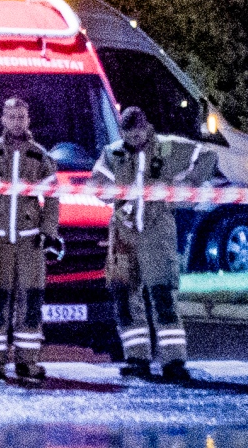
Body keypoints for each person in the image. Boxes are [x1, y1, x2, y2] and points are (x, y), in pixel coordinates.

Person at [91, 102, 212, 380]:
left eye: (137, 133)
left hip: (158, 231)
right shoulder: (114, 153)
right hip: (123, 232)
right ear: (122, 132)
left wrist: (188, 184)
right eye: (128, 135)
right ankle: (137, 359)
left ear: (145, 127)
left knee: (163, 295)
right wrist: (111, 193)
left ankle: (174, 362)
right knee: (125, 296)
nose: (134, 139)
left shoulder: (167, 148)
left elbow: (206, 157)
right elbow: (96, 182)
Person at [0, 95, 61, 383]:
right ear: (3, 120)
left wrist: (48, 231)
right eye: (12, 116)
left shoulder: (39, 156)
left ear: (28, 119)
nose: (17, 121)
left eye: (22, 116)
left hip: (31, 243)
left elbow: (53, 198)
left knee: (31, 301)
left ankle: (27, 362)